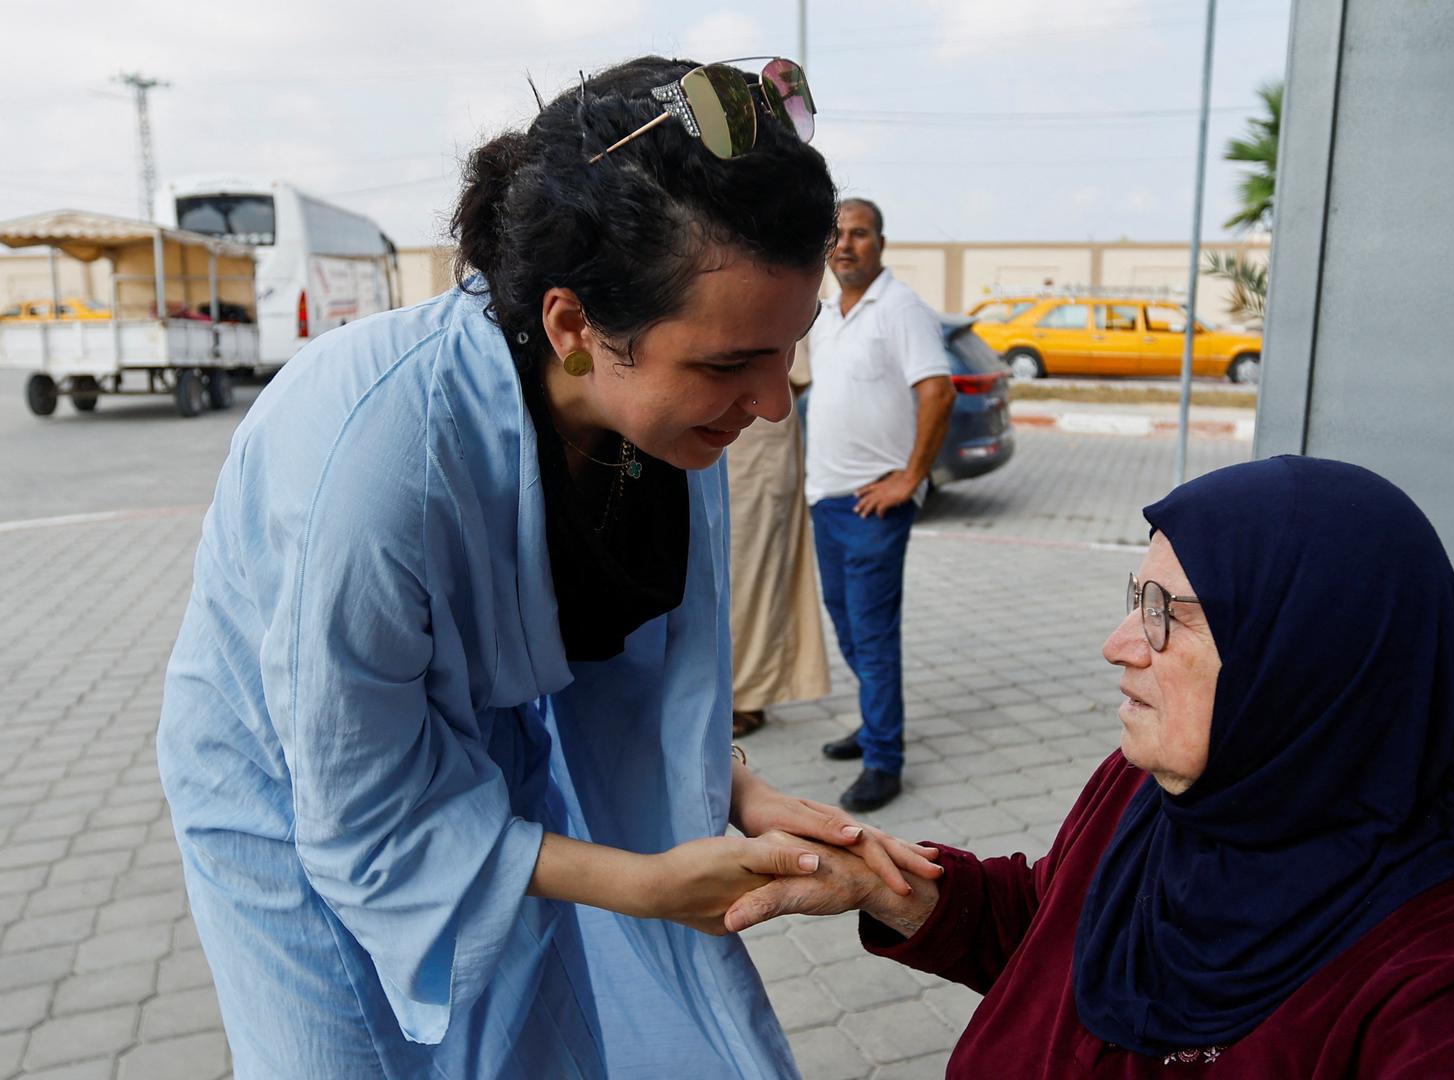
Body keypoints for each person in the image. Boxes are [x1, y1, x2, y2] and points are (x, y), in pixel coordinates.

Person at [156, 56, 939, 1079]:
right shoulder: (376, 455)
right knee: (353, 1052)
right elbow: (360, 807)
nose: (770, 405)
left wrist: (729, 788)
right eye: (726, 364)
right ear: (574, 324)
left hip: (489, 758)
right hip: (301, 796)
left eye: (784, 353)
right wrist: (645, 884)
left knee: (530, 1033)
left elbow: (644, 685)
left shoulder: (666, 425)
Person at [725, 457, 1454, 1078]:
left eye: (1168, 617)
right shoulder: (1158, 788)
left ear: (1306, 660)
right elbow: (1054, 928)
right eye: (1133, 600)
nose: (1117, 646)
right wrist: (890, 884)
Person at [805, 197, 956, 812]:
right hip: (827, 502)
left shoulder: (901, 309)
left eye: (859, 233)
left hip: (875, 507)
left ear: (881, 242)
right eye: (836, 234)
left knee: (871, 634)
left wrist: (909, 479)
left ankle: (885, 760)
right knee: (846, 624)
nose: (845, 244)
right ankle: (874, 724)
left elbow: (939, 394)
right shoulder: (824, 316)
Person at [725, 342, 830, 737]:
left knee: (755, 574)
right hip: (712, 438)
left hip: (756, 448)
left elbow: (796, 377)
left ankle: (750, 694)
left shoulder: (774, 284)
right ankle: (725, 687)